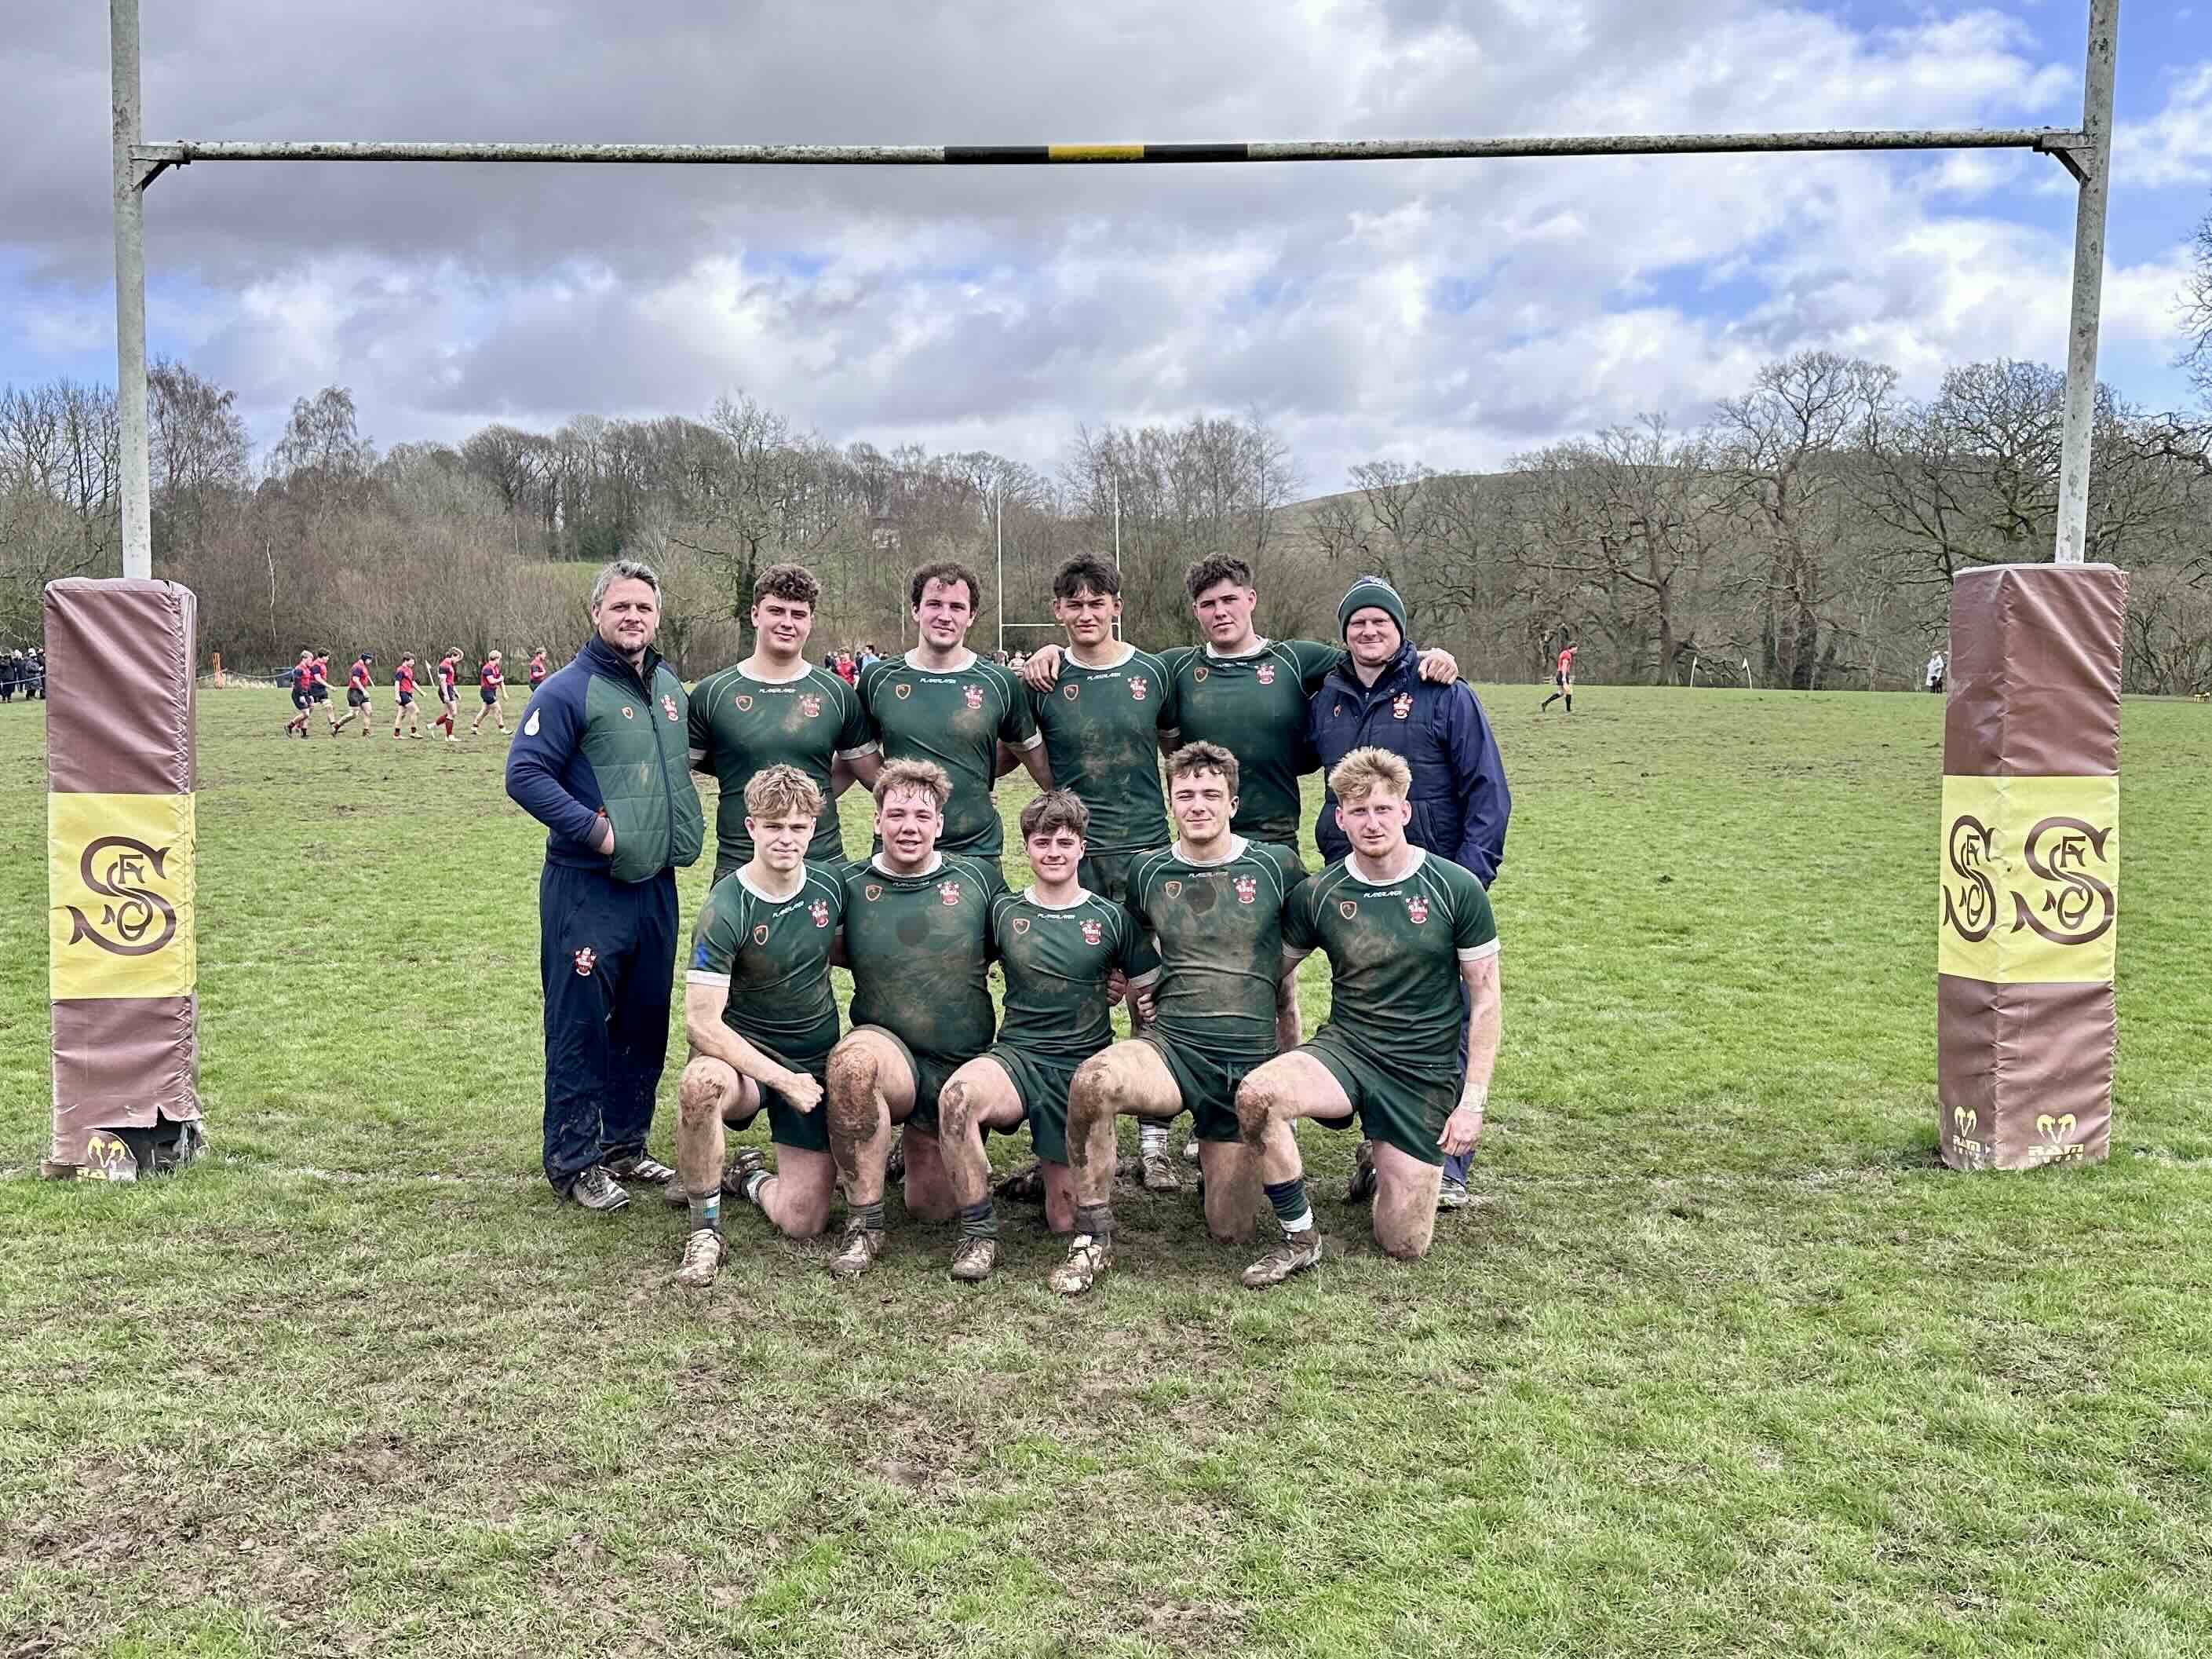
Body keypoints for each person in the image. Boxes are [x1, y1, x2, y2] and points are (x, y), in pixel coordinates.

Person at [1047, 742, 1307, 1295]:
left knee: (1231, 1230)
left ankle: (1217, 1164)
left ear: (1233, 802)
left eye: (1211, 793)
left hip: (1242, 1064)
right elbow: (1130, 941)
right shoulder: (1148, 870)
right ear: (1170, 803)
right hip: (1171, 1048)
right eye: (1185, 794)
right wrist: (1129, 984)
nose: (1198, 805)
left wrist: (1284, 1035)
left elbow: (1310, 938)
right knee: (1094, 1081)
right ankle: (1093, 1237)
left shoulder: (1276, 865)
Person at [1235, 747, 1502, 1285]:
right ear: (1340, 818)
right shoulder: (1320, 893)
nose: (1372, 822)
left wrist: (1471, 1104)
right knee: (1258, 1095)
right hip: (1347, 1051)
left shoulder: (1455, 888)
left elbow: (1487, 1000)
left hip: (1421, 1071)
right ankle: (1300, 1236)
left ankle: (1378, 1162)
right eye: (1358, 811)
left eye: (1383, 809)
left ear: (1405, 811)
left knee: (1404, 1244)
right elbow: (1266, 975)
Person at [504, 558, 705, 1212]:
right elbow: (524, 773)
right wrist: (596, 831)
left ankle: (623, 1143)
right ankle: (573, 1161)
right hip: (587, 887)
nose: (632, 617)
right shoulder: (567, 689)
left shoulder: (668, 686)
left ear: (658, 616)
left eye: (643, 607)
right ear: (596, 613)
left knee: (645, 1019)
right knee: (581, 1024)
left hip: (656, 884)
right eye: (620, 606)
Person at [1310, 576, 1510, 1209]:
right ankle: (1381, 1145)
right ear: (1344, 634)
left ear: (1400, 629)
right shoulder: (1328, 698)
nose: (1369, 632)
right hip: (1358, 887)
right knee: (1370, 1014)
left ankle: (1448, 1161)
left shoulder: (1443, 691)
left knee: (1446, 1017)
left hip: (1434, 889)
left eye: (1381, 622)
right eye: (1357, 623)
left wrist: (1468, 880)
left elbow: (1488, 792)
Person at [935, 791, 1159, 1281]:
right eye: (1042, 842)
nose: (1053, 852)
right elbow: (961, 967)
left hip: (1080, 1071)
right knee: (957, 1097)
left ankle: (1048, 1174)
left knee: (1065, 1222)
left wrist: (1138, 1011)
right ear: (1027, 848)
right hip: (1018, 1057)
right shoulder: (1003, 912)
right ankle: (979, 1234)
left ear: (1082, 847)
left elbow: (1151, 992)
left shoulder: (1110, 918)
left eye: (1064, 842)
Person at [1023, 554, 1183, 1192]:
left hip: (1145, 855)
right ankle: (1070, 1139)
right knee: (1076, 995)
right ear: (1058, 610)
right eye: (1075, 603)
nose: (1086, 613)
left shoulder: (1153, 672)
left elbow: (1176, 753)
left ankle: (1155, 1142)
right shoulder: (1043, 679)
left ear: (1118, 605)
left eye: (1098, 602)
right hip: (1076, 859)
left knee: (1150, 996)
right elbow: (1025, 754)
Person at [819, 759, 1006, 1277]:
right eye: (897, 814)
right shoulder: (848, 883)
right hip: (889, 1053)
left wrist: (1108, 978)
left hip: (956, 1064)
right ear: (877, 819)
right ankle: (864, 1224)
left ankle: (906, 1147)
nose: (909, 827)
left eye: (922, 816)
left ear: (939, 824)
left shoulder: (977, 879)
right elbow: (806, 945)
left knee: (931, 1208)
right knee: (853, 1065)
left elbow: (1025, 941)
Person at [670, 765, 848, 1286]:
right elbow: (701, 1024)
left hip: (811, 1062)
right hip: (743, 1063)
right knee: (700, 1084)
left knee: (804, 1221)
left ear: (813, 828)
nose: (785, 838)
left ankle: (747, 1177)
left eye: (797, 826)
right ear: (751, 827)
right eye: (773, 826)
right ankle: (704, 1230)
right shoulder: (727, 905)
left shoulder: (831, 887)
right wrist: (782, 1079)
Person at [854, 562, 1049, 881]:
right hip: (899, 845)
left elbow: (1029, 754)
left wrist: (973, 782)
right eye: (934, 604)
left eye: (957, 607)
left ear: (971, 616)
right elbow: (856, 755)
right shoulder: (878, 679)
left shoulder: (999, 682)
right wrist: (898, 796)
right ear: (915, 610)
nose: (945, 616)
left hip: (976, 849)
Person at [689, 564, 878, 884]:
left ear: (811, 621)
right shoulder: (713, 693)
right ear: (755, 615)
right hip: (740, 866)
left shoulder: (836, 693)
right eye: (776, 611)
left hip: (821, 863)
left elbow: (869, 773)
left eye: (798, 614)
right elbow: (673, 775)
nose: (787, 623)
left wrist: (803, 802)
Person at [334, 651, 374, 736]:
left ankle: (366, 732)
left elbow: (366, 675)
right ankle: (336, 726)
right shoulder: (357, 667)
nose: (371, 662)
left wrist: (371, 682)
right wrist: (364, 691)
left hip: (361, 693)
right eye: (370, 660)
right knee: (353, 714)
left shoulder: (363, 666)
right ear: (365, 659)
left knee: (369, 711)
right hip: (354, 693)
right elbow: (355, 680)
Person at [471, 649, 509, 736]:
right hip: (486, 692)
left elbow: (501, 681)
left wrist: (504, 693)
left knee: (485, 711)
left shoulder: (496, 668)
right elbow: (491, 681)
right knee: (498, 709)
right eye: (499, 659)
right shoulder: (487, 668)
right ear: (496, 658)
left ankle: (474, 728)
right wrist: (500, 679)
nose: (500, 661)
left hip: (492, 691)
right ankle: (503, 729)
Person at [283, 649, 315, 737]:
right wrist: (301, 696)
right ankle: (289, 726)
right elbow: (297, 683)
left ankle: (303, 733)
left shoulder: (307, 669)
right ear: (304, 659)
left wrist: (310, 695)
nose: (311, 661)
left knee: (311, 708)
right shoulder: (299, 669)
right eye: (310, 659)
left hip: (305, 692)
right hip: (298, 693)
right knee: (306, 713)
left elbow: (307, 683)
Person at [392, 655, 425, 738]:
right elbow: (397, 683)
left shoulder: (410, 670)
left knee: (401, 714)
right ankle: (414, 732)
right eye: (412, 661)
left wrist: (421, 691)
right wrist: (397, 696)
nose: (413, 663)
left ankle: (396, 735)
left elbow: (412, 682)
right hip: (403, 693)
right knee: (416, 711)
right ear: (406, 660)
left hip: (408, 693)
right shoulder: (400, 670)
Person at [433, 648, 462, 740]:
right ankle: (449, 736)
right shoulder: (444, 665)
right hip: (445, 690)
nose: (458, 661)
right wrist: (446, 694)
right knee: (453, 712)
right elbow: (443, 681)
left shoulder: (449, 665)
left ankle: (435, 726)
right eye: (458, 658)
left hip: (449, 689)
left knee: (451, 713)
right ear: (453, 655)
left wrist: (455, 692)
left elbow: (450, 680)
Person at [1541, 641, 1575, 713]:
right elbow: (1564, 666)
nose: (1576, 651)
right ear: (1572, 648)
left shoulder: (1564, 653)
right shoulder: (1567, 654)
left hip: (1559, 674)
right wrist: (1564, 678)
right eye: (1576, 649)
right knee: (1569, 691)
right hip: (1563, 674)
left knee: (1561, 692)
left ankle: (1545, 703)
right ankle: (1568, 710)